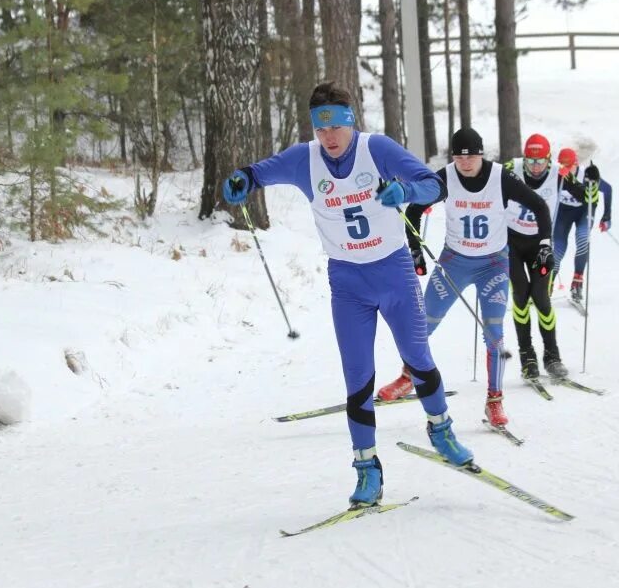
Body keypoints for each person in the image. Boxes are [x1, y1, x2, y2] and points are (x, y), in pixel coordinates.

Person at [221, 81, 474, 508]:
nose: (329, 139)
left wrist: (406, 192)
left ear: (349, 122)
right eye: (321, 131)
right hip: (348, 282)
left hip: (393, 272)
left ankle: (441, 430)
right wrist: (242, 180)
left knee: (417, 357)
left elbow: (435, 185)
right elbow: (258, 172)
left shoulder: (378, 149)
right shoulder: (305, 158)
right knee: (358, 377)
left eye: (335, 128)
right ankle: (367, 468)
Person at [376, 127, 555, 428]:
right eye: (459, 157)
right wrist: (416, 247)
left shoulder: (500, 178)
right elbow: (415, 210)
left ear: (481, 154)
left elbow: (538, 206)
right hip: (454, 262)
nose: (465, 163)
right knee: (422, 322)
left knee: (494, 334)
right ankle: (407, 378)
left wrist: (545, 245)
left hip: (493, 265)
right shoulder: (445, 177)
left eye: (471, 156)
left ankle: (494, 400)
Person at [503, 133, 568, 379]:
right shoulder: (511, 168)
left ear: (550, 160)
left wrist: (591, 183)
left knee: (541, 297)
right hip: (513, 243)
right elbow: (484, 179)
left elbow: (586, 192)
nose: (536, 167)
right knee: (520, 296)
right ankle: (527, 357)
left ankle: (552, 356)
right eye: (531, 162)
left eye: (541, 162)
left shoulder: (559, 173)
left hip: (541, 244)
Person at [550, 148, 613, 306]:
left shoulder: (585, 174)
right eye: (562, 165)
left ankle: (577, 280)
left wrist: (607, 216)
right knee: (557, 248)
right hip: (564, 212)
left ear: (575, 164)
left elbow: (607, 189)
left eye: (568, 165)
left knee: (582, 238)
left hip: (584, 210)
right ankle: (548, 283)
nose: (565, 169)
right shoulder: (556, 174)